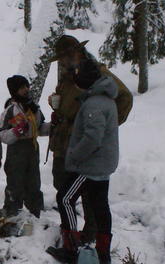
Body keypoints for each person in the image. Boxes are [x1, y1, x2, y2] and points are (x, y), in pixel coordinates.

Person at [46, 35, 132, 245]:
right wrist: (56, 105)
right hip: (65, 139)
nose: (63, 61)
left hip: (84, 142)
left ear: (77, 52)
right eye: (61, 58)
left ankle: (89, 233)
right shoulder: (69, 74)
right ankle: (70, 228)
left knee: (89, 193)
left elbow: (125, 98)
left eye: (66, 56)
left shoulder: (96, 73)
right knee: (63, 185)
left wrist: (105, 127)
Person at [47, 57, 120, 264]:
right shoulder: (103, 98)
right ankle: (103, 253)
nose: (76, 77)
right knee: (100, 205)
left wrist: (75, 155)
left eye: (78, 74)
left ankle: (70, 249)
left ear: (86, 79)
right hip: (102, 165)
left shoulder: (95, 103)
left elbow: (93, 138)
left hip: (90, 166)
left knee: (65, 198)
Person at [0, 75, 50, 218]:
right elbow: (1, 134)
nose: (26, 89)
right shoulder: (10, 109)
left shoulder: (34, 107)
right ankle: (12, 211)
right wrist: (16, 131)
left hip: (32, 147)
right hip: (16, 149)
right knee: (15, 181)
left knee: (34, 180)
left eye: (27, 86)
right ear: (15, 91)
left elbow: (39, 128)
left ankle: (35, 211)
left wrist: (53, 126)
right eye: (22, 88)